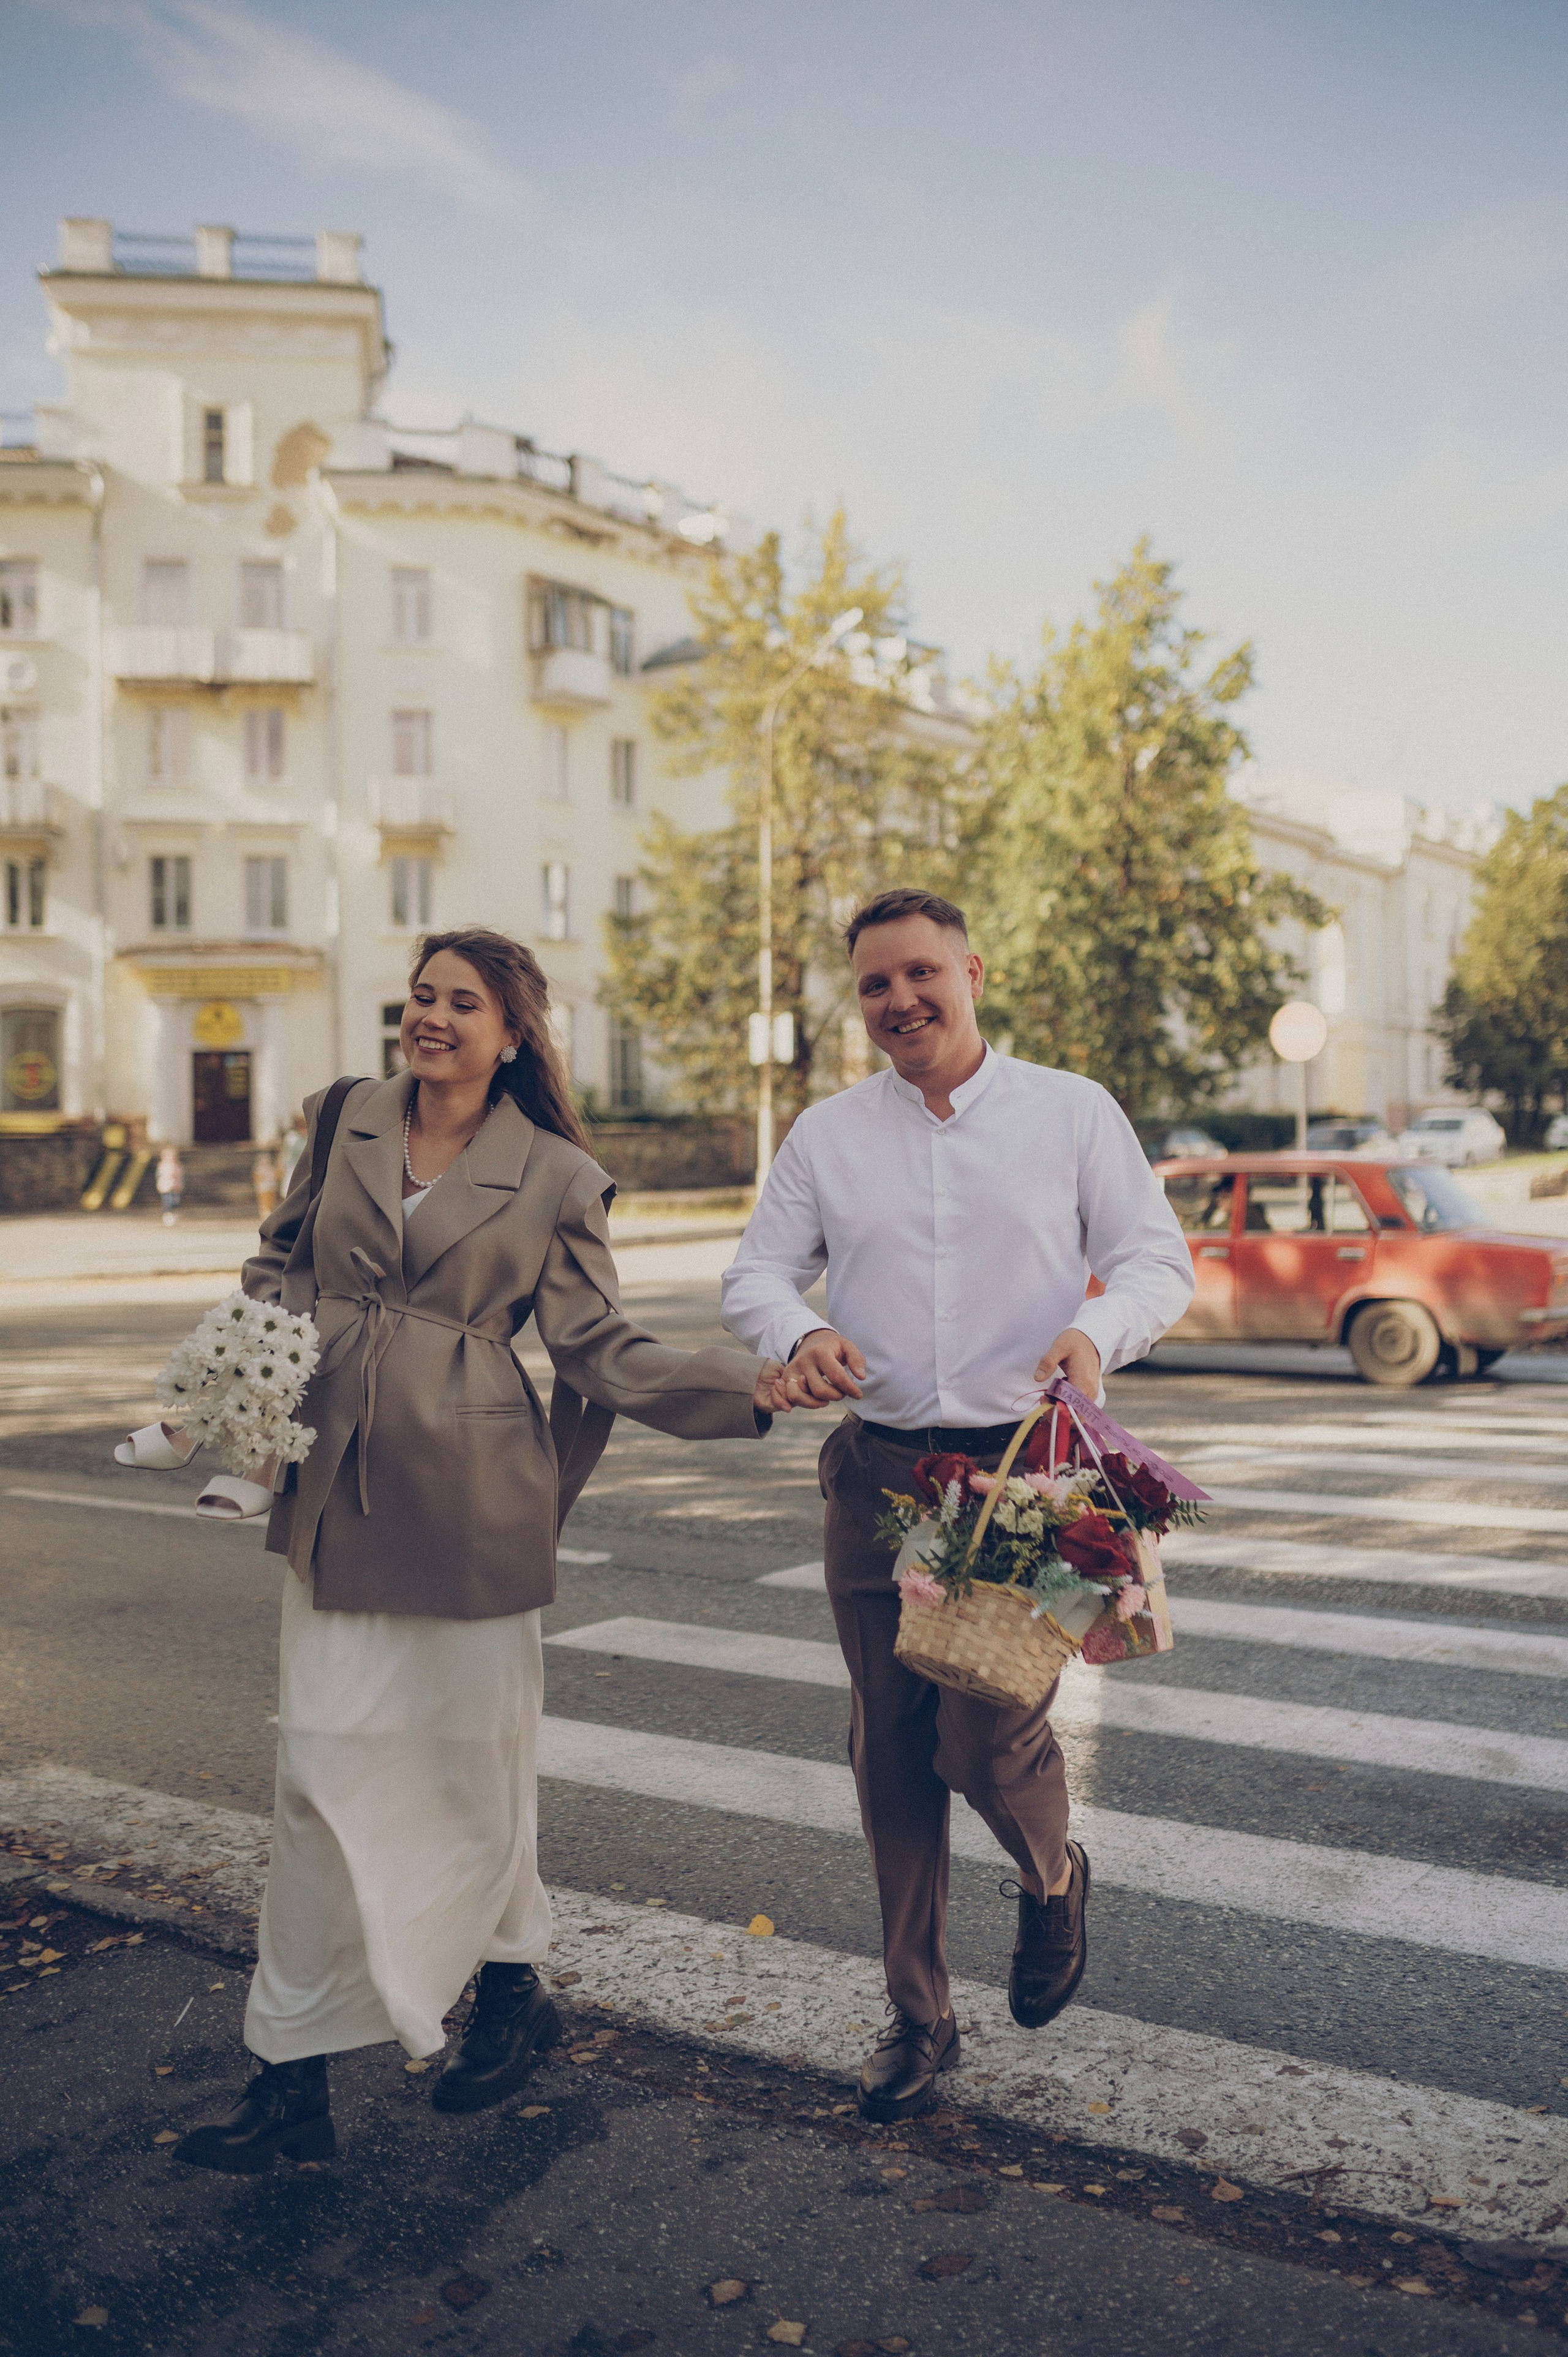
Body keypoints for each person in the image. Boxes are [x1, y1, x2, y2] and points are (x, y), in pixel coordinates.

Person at [174, 925, 799, 2173]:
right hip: (333, 1495)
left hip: (471, 1504)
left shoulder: (558, 1175)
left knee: (475, 1777)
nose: (433, 1017)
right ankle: (289, 2080)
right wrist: (252, 1363)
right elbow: (280, 1258)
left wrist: (756, 1388)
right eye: (420, 996)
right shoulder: (345, 1115)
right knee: (313, 1788)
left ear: (512, 1033)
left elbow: (599, 1351)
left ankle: (511, 1994)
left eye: (463, 1002)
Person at [722, 887, 1195, 2123]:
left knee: (983, 1737)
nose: (898, 1001)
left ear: (972, 972)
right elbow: (756, 1272)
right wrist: (801, 1328)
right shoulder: (828, 1133)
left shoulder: (1068, 1112)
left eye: (920, 973)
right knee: (889, 1751)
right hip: (880, 1473)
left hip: (1019, 1478)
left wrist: (1095, 1333)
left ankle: (1050, 1877)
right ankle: (918, 2012)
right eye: (874, 983)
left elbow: (1156, 1258)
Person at [154, 1144, 184, 1227]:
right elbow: (159, 1176)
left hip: (176, 1187)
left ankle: (172, 1214)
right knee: (168, 1202)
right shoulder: (163, 1165)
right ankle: (168, 1216)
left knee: (176, 1202)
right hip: (166, 1187)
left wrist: (180, 1184)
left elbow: (181, 1177)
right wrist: (160, 1184)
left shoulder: (178, 1166)